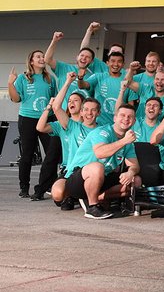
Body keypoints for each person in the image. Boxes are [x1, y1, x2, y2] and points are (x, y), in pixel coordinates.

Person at [63, 104, 141, 220]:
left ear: (134, 121)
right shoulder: (102, 132)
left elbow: (135, 165)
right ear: (115, 118)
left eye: (130, 117)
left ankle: (97, 197)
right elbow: (100, 153)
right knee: (97, 167)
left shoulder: (127, 140)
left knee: (136, 181)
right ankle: (92, 207)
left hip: (102, 177)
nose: (126, 119)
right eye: (122, 115)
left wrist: (130, 173)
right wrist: (123, 141)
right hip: (78, 178)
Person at [35, 72, 100, 207]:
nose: (71, 103)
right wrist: (67, 82)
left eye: (75, 100)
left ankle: (81, 195)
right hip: (70, 169)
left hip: (91, 168)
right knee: (57, 195)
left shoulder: (101, 129)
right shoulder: (68, 125)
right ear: (82, 111)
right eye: (69, 101)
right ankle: (71, 194)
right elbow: (41, 126)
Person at [8, 50, 58, 198]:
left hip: (47, 119)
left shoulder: (50, 79)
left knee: (51, 153)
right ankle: (24, 187)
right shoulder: (23, 78)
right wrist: (10, 82)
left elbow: (55, 99)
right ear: (31, 61)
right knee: (27, 154)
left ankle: (49, 184)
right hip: (27, 119)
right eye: (38, 57)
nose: (42, 58)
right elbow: (16, 98)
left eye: (43, 56)